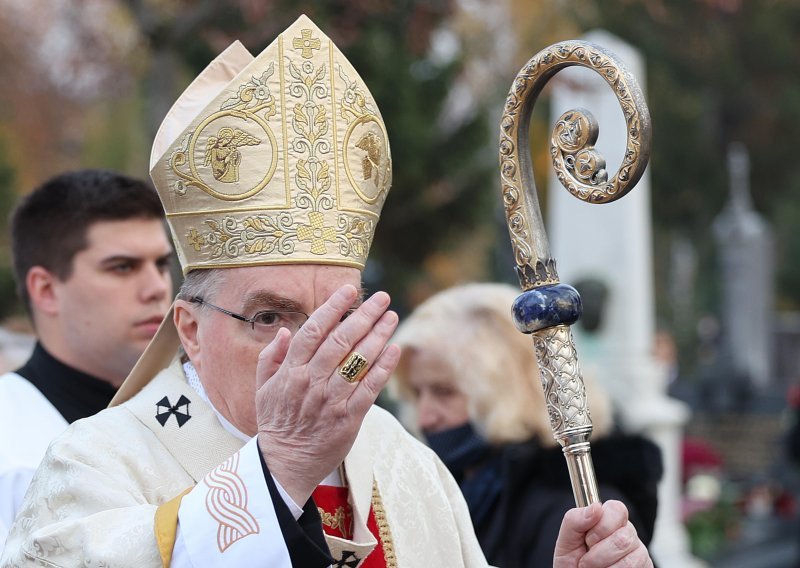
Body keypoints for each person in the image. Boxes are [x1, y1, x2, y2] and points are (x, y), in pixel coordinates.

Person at [1, 15, 653, 567]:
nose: (316, 346)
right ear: (190, 329)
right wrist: (277, 475)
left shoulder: (402, 460)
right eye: (269, 316)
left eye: (340, 316)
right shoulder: (94, 463)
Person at [391, 282, 664, 567]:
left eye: (444, 392)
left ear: (509, 389)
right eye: (416, 393)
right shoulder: (456, 486)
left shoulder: (573, 505)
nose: (424, 418)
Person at [0, 169, 173, 544]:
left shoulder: (195, 415)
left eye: (161, 264)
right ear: (46, 290)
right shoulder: (8, 446)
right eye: (123, 267)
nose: (157, 287)